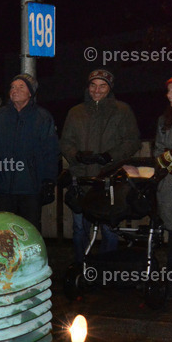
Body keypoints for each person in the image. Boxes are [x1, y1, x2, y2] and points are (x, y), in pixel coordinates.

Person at [59, 69, 141, 264]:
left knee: (109, 229)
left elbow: (132, 141)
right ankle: (81, 266)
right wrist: (76, 155)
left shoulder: (122, 110)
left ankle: (106, 269)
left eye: (102, 85)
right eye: (93, 85)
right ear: (88, 87)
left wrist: (110, 156)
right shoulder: (75, 112)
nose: (97, 90)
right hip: (81, 179)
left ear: (109, 88)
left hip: (110, 180)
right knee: (80, 228)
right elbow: (65, 142)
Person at [0, 73, 59, 229]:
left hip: (31, 187)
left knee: (29, 229)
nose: (15, 90)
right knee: (4, 230)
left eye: (21, 87)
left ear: (30, 93)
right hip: (4, 187)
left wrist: (49, 181)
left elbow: (51, 151)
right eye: (12, 87)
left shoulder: (42, 117)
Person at [154, 75, 172, 295]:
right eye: (168, 90)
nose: (168, 94)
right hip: (170, 187)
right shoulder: (165, 120)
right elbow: (158, 152)